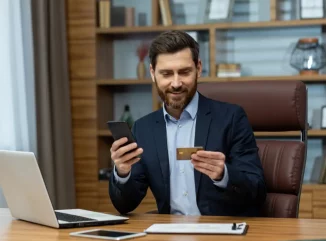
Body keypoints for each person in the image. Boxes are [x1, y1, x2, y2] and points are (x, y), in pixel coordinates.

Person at [109, 30, 266, 216]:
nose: (176, 83)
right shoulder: (143, 129)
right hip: (168, 234)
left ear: (198, 68)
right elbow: (125, 205)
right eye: (166, 74)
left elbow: (257, 190)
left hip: (221, 232)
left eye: (184, 72)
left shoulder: (231, 118)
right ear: (152, 73)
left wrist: (224, 175)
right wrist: (122, 173)